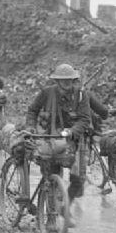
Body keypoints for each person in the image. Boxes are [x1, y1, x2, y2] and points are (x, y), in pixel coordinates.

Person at [23, 63, 92, 219]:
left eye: (69, 80)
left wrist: (72, 131)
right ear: (57, 81)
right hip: (49, 140)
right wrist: (31, 127)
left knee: (78, 179)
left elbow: (85, 119)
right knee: (52, 177)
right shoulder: (47, 93)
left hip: (73, 141)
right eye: (63, 80)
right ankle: (51, 218)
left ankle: (65, 206)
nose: (66, 83)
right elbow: (32, 110)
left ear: (73, 80)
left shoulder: (81, 96)